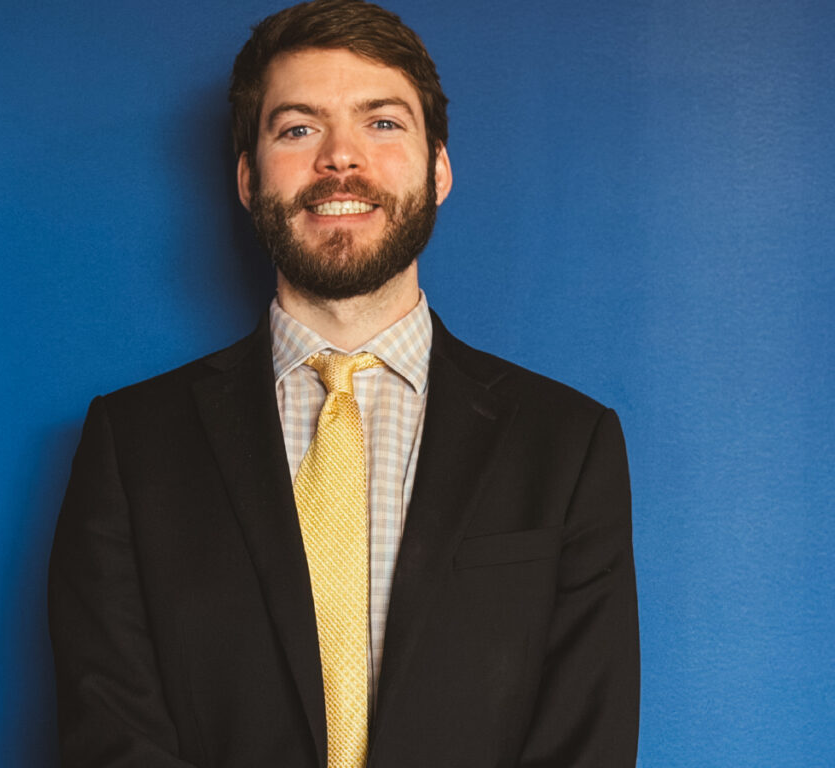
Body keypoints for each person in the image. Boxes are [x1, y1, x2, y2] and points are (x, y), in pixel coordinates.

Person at [47, 0, 639, 766]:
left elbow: (585, 744)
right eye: (298, 129)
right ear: (247, 179)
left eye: (382, 122)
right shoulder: (131, 446)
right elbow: (112, 737)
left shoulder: (568, 444)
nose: (340, 158)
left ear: (438, 169)